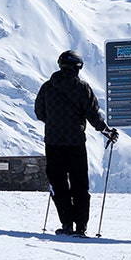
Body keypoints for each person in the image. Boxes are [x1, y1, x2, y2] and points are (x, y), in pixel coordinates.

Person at [34, 50, 118, 237]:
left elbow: (39, 113)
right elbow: (93, 115)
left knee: (59, 183)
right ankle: (81, 225)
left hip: (54, 143)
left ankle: (66, 224)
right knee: (80, 184)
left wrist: (54, 122)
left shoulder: (47, 87)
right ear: (77, 68)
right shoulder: (82, 88)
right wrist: (106, 132)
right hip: (76, 144)